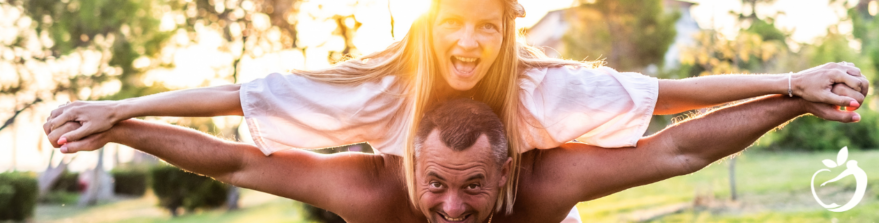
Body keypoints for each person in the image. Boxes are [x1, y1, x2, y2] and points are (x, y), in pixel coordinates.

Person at [43, 0, 870, 215]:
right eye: (453, 24)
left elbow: (672, 117)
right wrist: (119, 110)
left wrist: (793, 86)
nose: (468, 42)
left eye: (486, 25)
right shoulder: (383, 90)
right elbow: (240, 117)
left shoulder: (544, 96)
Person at [46, 84, 864, 222]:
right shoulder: (370, 192)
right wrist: (119, 125)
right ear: (410, 163)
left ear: (508, 168)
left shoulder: (548, 184)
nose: (450, 205)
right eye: (436, 181)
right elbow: (231, 159)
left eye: (473, 187)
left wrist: (793, 96)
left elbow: (680, 147)